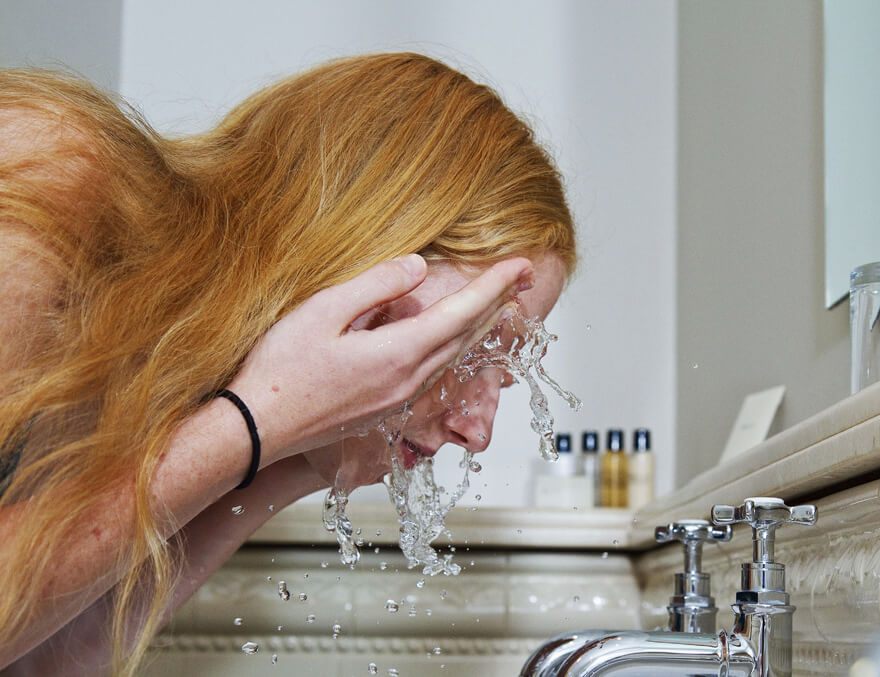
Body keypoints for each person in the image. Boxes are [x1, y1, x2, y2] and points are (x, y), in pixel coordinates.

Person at [0, 52, 576, 675]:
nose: (478, 430)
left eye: (506, 375)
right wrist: (256, 421)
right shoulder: (48, 180)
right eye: (474, 348)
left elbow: (44, 660)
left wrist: (292, 450)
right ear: (361, 243)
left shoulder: (174, 386)